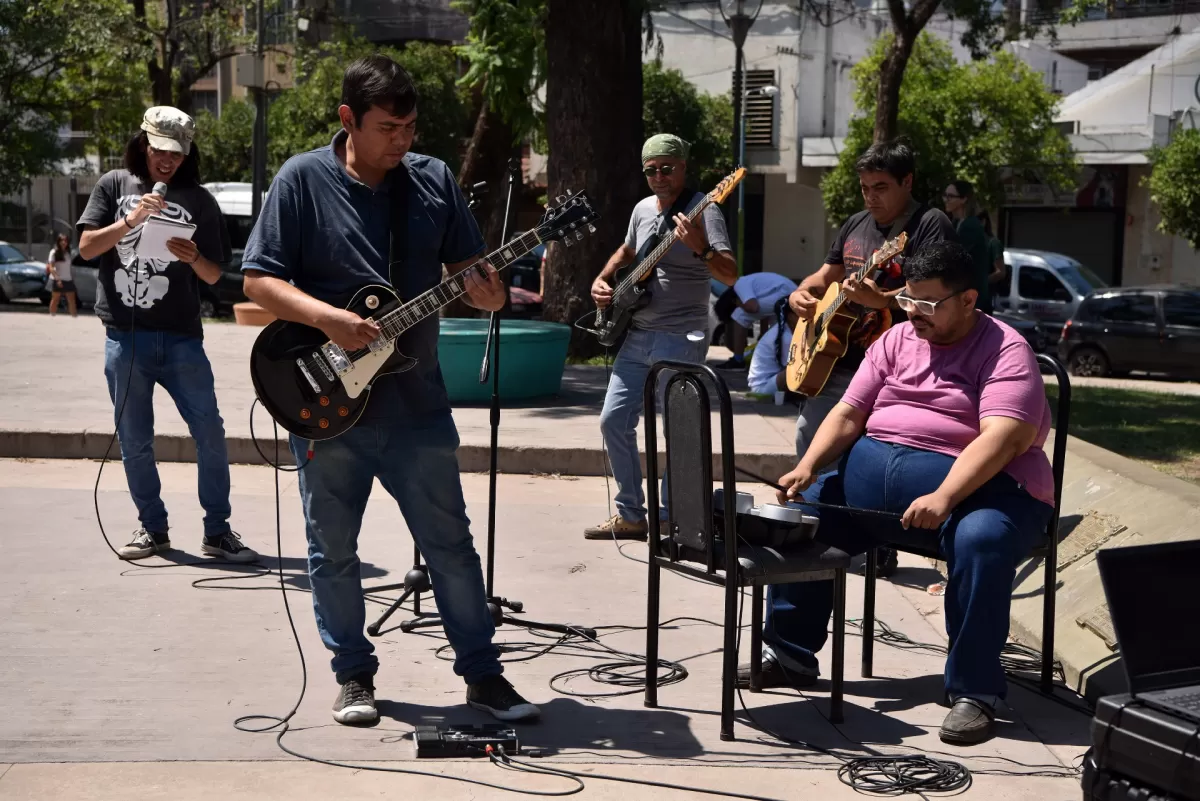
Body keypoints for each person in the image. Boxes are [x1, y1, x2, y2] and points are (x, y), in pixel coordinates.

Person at [241, 54, 539, 726]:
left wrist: (487, 293)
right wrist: (328, 320)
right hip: (323, 401)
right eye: (387, 128)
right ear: (349, 119)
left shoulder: (433, 181)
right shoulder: (301, 181)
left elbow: (470, 273)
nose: (402, 140)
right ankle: (353, 673)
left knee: (452, 545)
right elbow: (258, 282)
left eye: (410, 126)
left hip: (417, 403)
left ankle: (484, 677)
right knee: (333, 548)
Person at [747, 242, 1054, 746]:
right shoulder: (896, 339)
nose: (914, 313)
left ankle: (976, 693)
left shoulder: (1005, 350)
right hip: (880, 502)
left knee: (982, 541)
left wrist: (946, 495)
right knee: (800, 515)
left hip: (986, 494)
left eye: (929, 303)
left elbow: (1005, 437)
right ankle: (789, 654)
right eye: (909, 300)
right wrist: (806, 466)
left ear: (969, 300)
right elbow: (848, 412)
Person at [77, 106, 255, 564]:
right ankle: (152, 529)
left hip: (181, 339)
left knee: (210, 433)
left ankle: (218, 531)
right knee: (135, 439)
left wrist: (194, 257)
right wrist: (130, 222)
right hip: (125, 337)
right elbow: (86, 248)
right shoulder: (114, 185)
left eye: (176, 154)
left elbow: (216, 275)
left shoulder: (199, 200)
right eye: (160, 150)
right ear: (144, 143)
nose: (167, 161)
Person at [786, 139, 957, 578]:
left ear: (907, 181)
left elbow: (937, 293)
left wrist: (880, 298)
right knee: (810, 438)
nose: (870, 196)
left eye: (880, 186)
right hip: (837, 360)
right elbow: (826, 276)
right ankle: (818, 537)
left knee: (869, 455)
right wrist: (800, 293)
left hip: (897, 365)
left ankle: (879, 544)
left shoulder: (928, 225)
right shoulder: (855, 224)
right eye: (864, 187)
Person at [584, 134, 737, 541]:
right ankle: (632, 514)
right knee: (613, 421)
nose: (659, 176)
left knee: (679, 428)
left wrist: (700, 248)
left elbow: (730, 274)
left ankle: (673, 518)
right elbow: (628, 251)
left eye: (667, 168)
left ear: (683, 167)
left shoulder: (705, 209)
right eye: (651, 170)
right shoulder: (641, 209)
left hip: (681, 336)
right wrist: (603, 279)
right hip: (637, 332)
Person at [717, 271, 796, 368]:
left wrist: (740, 304)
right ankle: (777, 361)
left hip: (783, 292)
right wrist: (763, 337)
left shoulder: (739, 285)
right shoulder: (751, 284)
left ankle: (738, 361)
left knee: (740, 315)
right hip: (788, 292)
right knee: (776, 330)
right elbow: (763, 314)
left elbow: (753, 307)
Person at [942, 180, 994, 313]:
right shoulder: (956, 223)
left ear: (963, 199)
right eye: (945, 195)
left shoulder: (971, 225)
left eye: (950, 196)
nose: (945, 199)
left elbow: (954, 261)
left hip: (974, 302)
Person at [746, 297, 798, 400]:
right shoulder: (785, 336)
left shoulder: (784, 331)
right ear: (791, 316)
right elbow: (790, 367)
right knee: (796, 368)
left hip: (772, 381)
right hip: (761, 388)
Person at [46, 233, 78, 318]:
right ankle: (52, 317)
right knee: (55, 299)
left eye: (65, 240)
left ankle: (74, 317)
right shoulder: (54, 252)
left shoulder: (68, 252)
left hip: (68, 279)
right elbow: (51, 268)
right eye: (62, 240)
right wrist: (58, 279)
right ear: (58, 242)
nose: (64, 242)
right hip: (57, 279)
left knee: (71, 299)